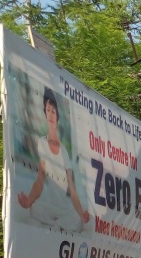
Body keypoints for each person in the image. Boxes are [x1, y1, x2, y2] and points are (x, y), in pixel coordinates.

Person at [16, 88, 91, 233]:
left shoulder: (64, 151)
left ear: (57, 115)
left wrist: (82, 213)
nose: (50, 114)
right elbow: (40, 181)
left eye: (53, 111)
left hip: (63, 209)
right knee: (35, 208)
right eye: (48, 110)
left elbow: (73, 191)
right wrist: (29, 200)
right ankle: (55, 227)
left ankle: (55, 227)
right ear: (45, 113)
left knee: (77, 221)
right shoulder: (42, 143)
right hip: (48, 208)